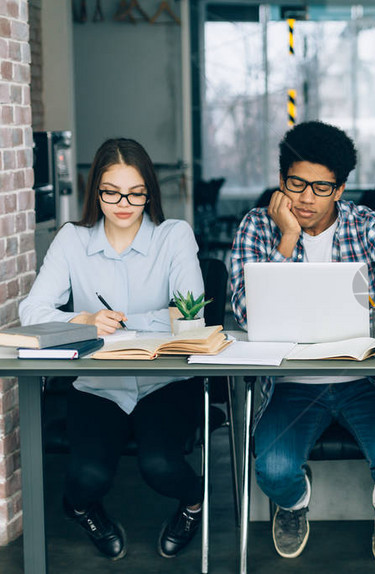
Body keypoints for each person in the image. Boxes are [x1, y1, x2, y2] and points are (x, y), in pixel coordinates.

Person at [230, 121, 375, 563]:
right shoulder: (257, 227)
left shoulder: (371, 228)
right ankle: (295, 503)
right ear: (282, 182)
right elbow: (246, 313)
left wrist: (359, 326)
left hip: (368, 381)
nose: (305, 198)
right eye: (296, 183)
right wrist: (287, 239)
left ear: (339, 190)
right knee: (273, 471)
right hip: (292, 383)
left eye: (321, 187)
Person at [19, 138, 206, 560]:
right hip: (99, 384)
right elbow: (31, 309)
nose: (123, 203)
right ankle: (84, 510)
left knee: (161, 466)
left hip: (166, 381)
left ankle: (193, 506)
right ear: (95, 191)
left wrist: (126, 323)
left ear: (149, 192)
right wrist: (81, 320)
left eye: (135, 192)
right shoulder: (72, 240)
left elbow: (189, 312)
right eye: (111, 191)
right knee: (85, 477)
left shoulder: (173, 236)